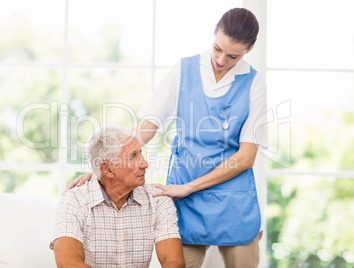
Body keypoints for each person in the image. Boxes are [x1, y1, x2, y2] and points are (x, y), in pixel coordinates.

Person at [69, 7, 267, 268]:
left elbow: (245, 157)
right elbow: (149, 125)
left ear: (248, 51)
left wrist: (189, 188)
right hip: (186, 201)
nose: (220, 59)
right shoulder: (184, 70)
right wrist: (103, 169)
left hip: (231, 200)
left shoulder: (254, 84)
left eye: (232, 56)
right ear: (214, 34)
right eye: (217, 48)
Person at [51, 126, 186, 268]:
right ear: (107, 169)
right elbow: (68, 263)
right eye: (133, 156)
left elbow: (174, 263)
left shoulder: (158, 199)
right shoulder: (74, 200)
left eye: (140, 153)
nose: (145, 164)